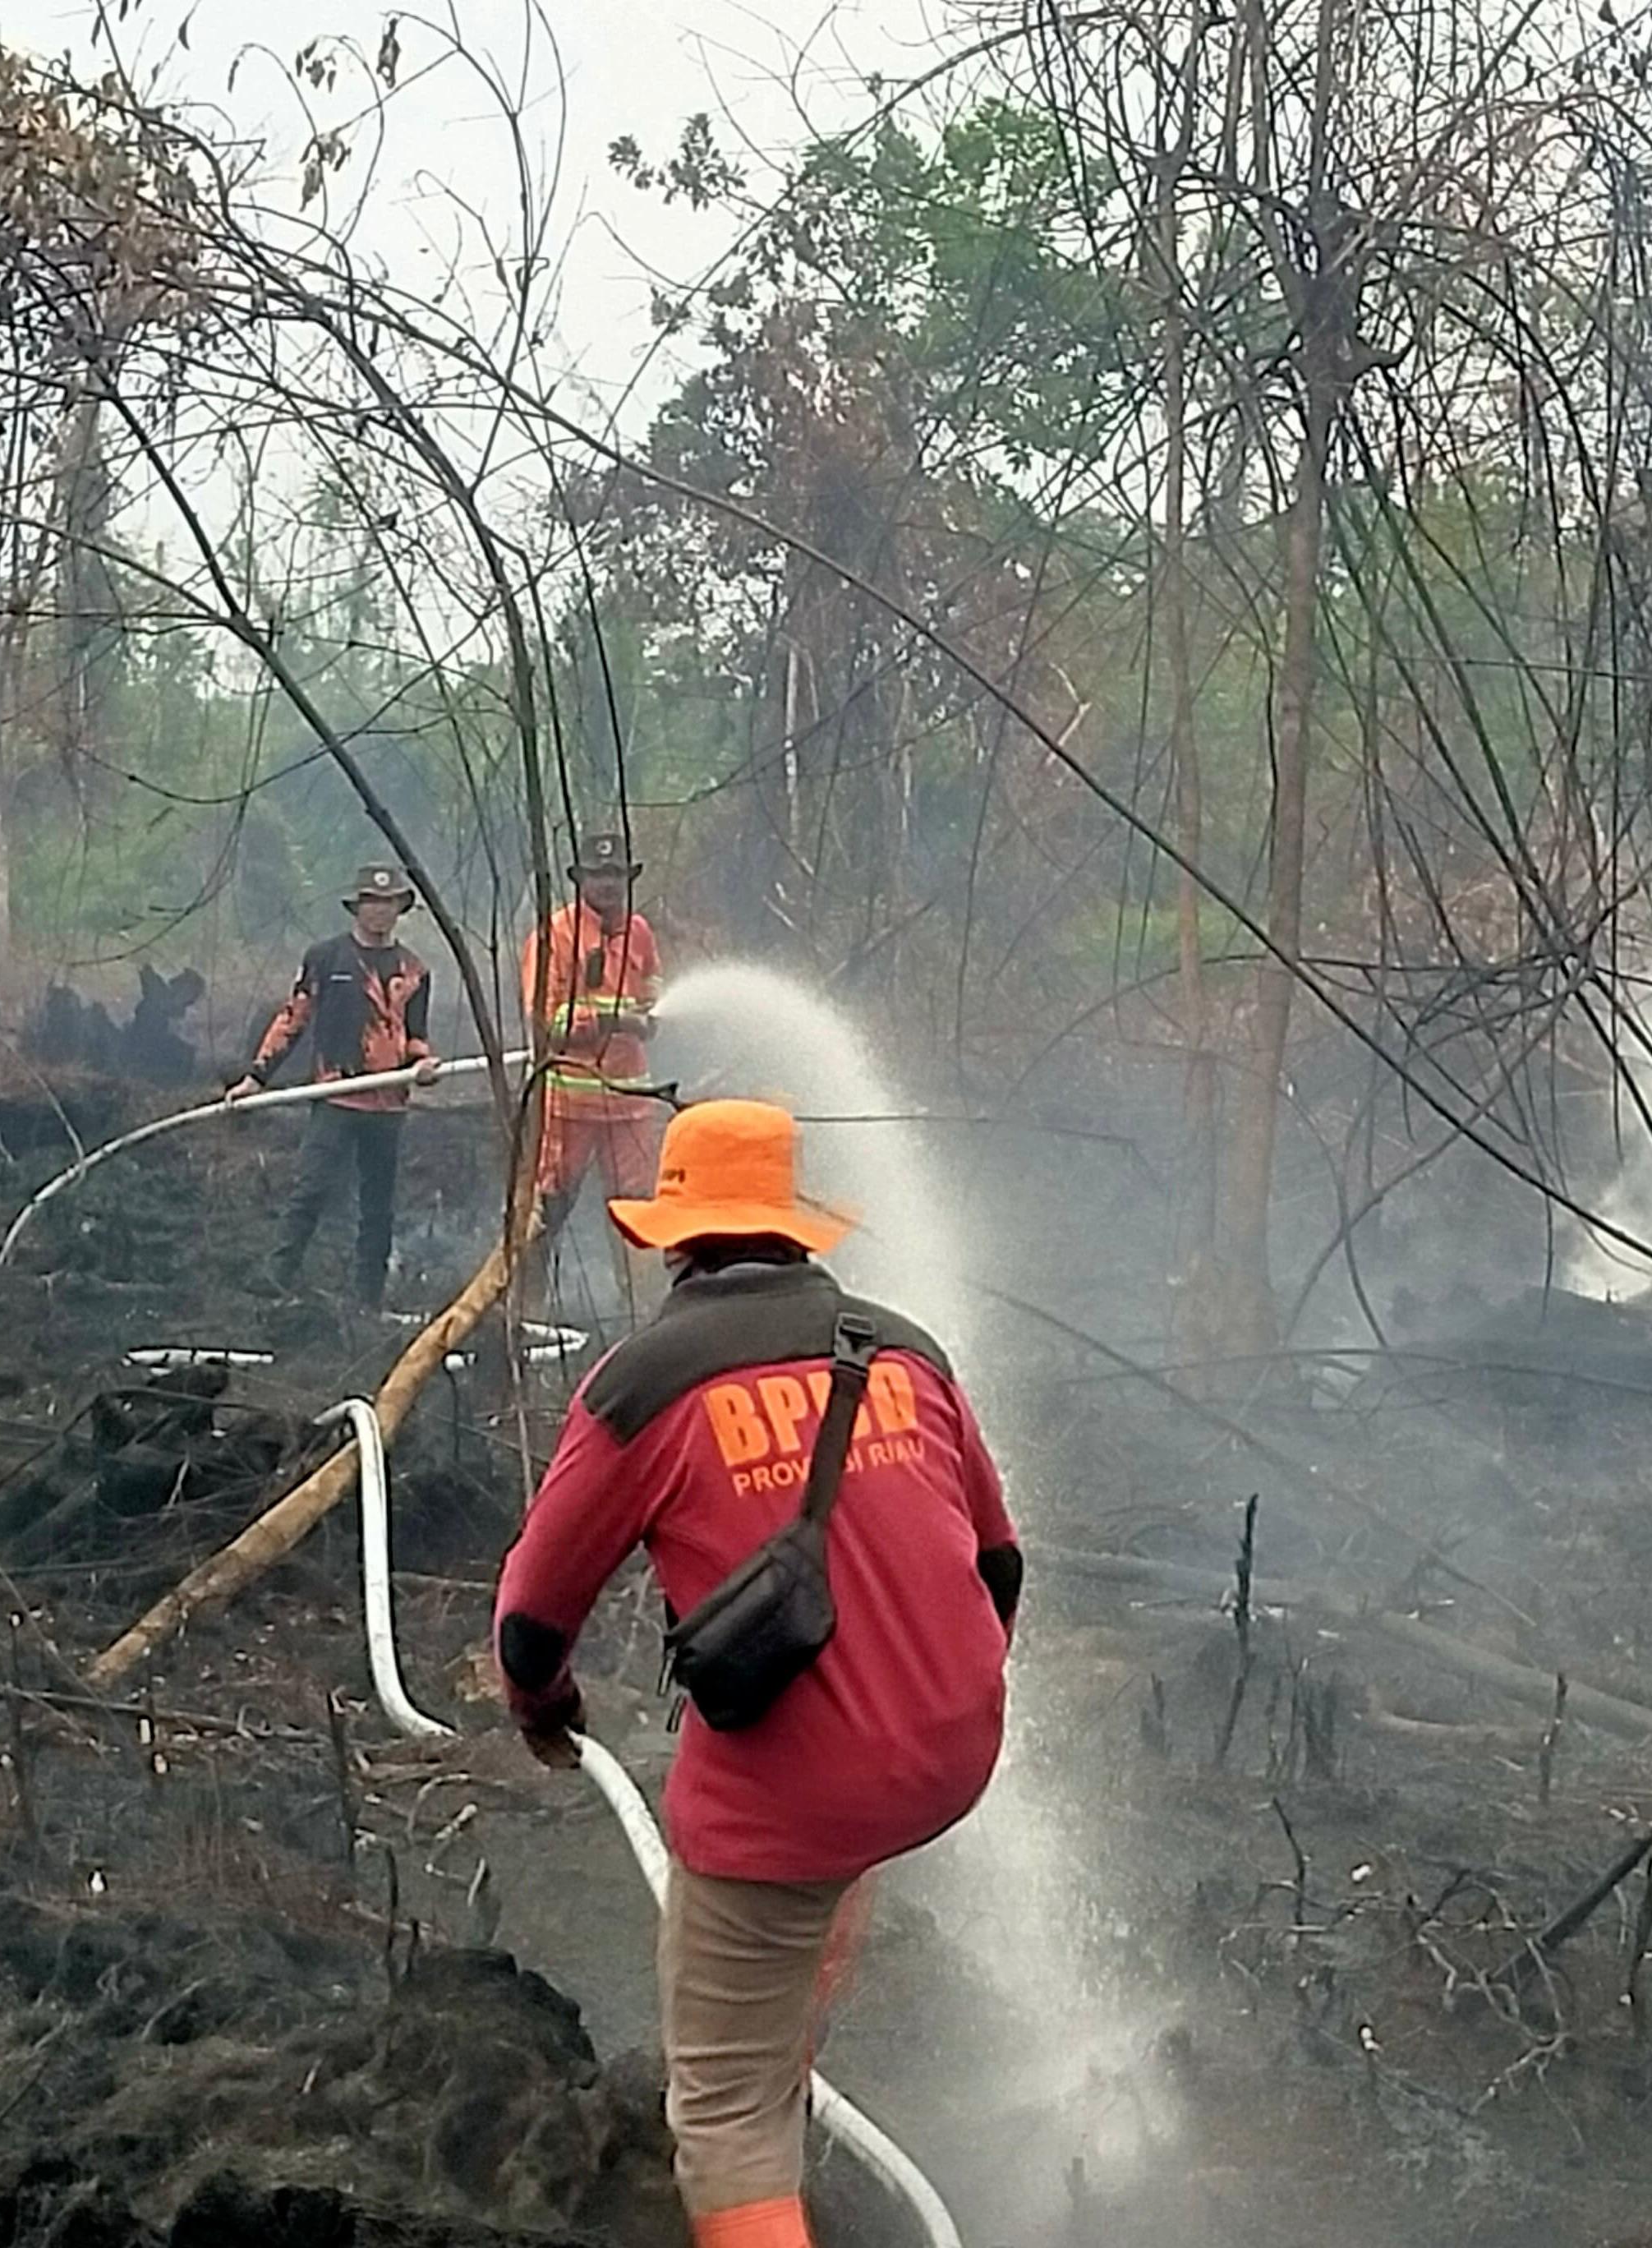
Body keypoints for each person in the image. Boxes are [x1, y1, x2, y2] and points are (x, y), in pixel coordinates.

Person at [489, 1099, 1021, 2248]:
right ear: (795, 1230)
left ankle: (762, 2101)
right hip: (954, 1751)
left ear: (671, 1237)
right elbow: (999, 1562)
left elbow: (531, 1622)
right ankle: (795, 2023)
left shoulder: (645, 1386)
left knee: (724, 2108)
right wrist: (920, 1705)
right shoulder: (902, 1350)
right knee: (829, 1859)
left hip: (802, 1801)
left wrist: (546, 1713)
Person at [226, 863, 443, 1310]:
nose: (379, 912)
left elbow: (414, 1035)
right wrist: (256, 1077)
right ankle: (277, 1277)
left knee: (378, 1206)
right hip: (335, 1097)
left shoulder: (415, 970)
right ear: (357, 908)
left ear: (399, 909)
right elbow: (293, 1019)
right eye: (372, 902)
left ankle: (368, 1297)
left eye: (388, 903)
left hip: (388, 1106)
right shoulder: (326, 958)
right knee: (311, 1189)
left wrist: (423, 1064)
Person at [521, 831, 666, 1306]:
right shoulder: (554, 936)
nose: (608, 883)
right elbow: (545, 1020)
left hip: (629, 1103)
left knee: (636, 1214)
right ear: (579, 878)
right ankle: (523, 1308)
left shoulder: (639, 932)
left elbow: (653, 991)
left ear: (628, 877)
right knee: (548, 1208)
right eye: (598, 874)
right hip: (569, 1103)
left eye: (616, 874)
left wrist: (652, 1014)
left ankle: (642, 1313)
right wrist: (610, 1019)